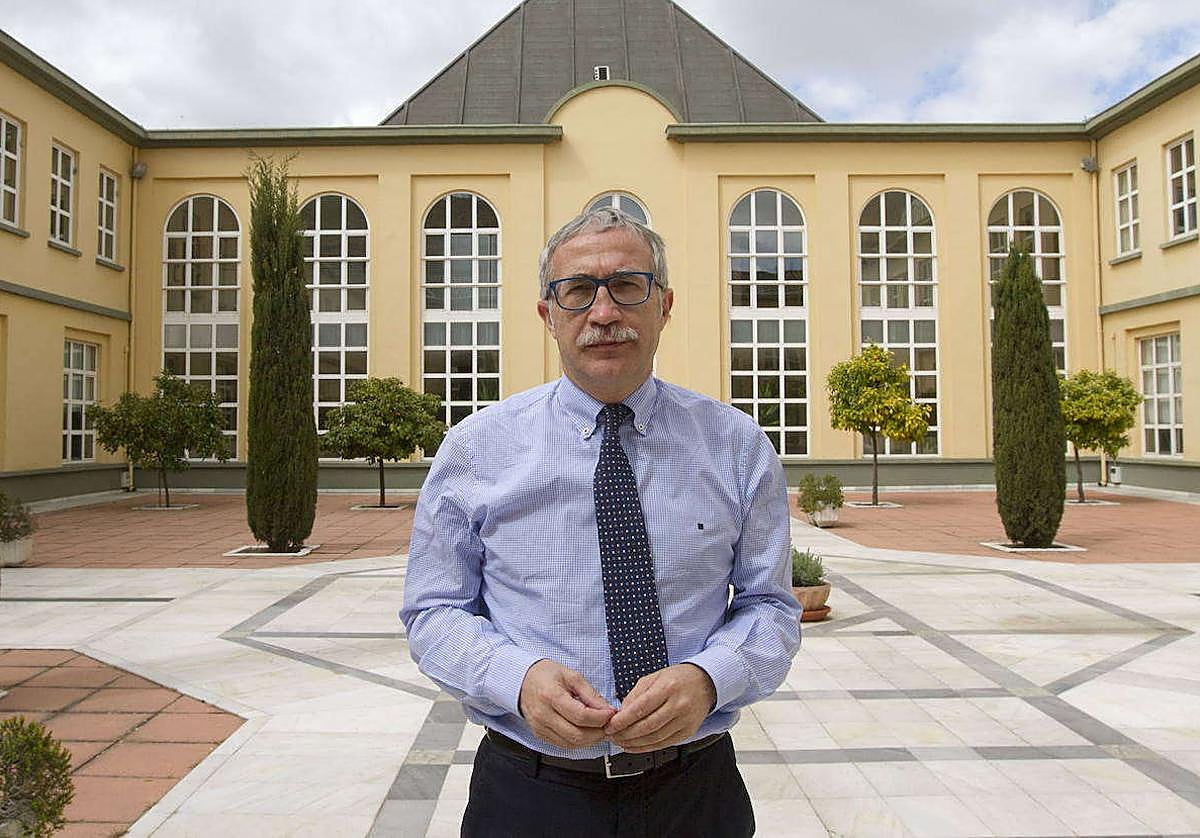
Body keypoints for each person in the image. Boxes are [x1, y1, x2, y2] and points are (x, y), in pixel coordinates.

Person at [401, 207, 800, 837]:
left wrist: (707, 679)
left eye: (627, 286)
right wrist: (517, 679)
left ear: (664, 305)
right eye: (578, 290)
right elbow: (433, 612)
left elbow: (771, 607)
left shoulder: (737, 446)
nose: (604, 312)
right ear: (548, 315)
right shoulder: (476, 449)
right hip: (529, 796)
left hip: (695, 794)